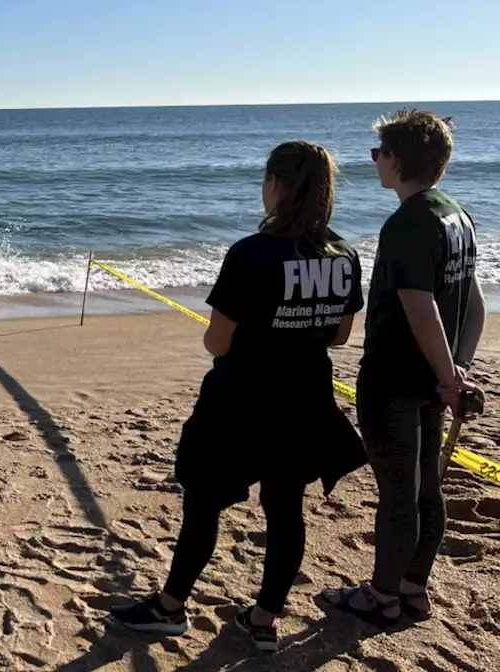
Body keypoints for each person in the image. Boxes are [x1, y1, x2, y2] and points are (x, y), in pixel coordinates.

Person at [110, 141, 367, 653]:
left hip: (240, 401)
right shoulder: (344, 255)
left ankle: (169, 607)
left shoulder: (251, 253)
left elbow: (217, 341)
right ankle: (264, 619)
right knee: (285, 508)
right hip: (304, 399)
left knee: (204, 503)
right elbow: (339, 335)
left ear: (277, 184)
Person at [324, 109, 485, 626]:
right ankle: (414, 589)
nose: (375, 163)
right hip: (432, 379)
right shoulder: (457, 215)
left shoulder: (408, 222)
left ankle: (384, 595)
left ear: (396, 160)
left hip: (396, 378)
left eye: (378, 154)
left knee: (399, 491)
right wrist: (456, 367)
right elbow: (472, 300)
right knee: (425, 488)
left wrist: (447, 374)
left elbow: (421, 305)